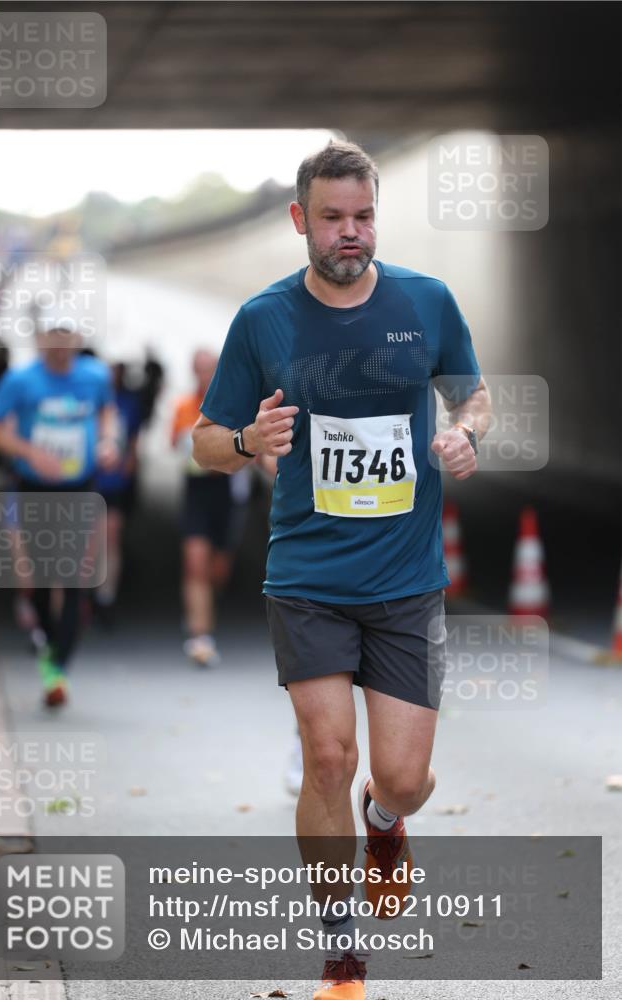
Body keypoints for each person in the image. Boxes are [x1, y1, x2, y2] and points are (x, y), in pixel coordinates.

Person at [193, 140, 492, 1000]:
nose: (349, 232)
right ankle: (339, 948)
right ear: (300, 221)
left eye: (362, 215)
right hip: (307, 576)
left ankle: (385, 821)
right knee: (325, 756)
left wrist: (465, 432)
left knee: (400, 775)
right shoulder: (263, 319)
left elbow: (472, 392)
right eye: (332, 218)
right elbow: (204, 441)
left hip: (405, 579)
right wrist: (249, 440)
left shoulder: (425, 301)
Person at [0, 327, 118, 707]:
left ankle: (56, 666)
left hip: (79, 486)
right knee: (40, 581)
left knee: (74, 576)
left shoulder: (94, 375)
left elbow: (107, 410)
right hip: (34, 488)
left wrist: (108, 440)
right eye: (52, 339)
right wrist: (28, 452)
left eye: (66, 338)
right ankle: (49, 650)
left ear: (76, 340)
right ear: (40, 340)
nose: (60, 347)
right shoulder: (21, 380)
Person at [171, 349, 250, 666]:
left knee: (218, 569)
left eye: (210, 370)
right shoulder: (183, 407)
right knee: (194, 562)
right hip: (197, 491)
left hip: (229, 493)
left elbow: (251, 449)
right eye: (199, 370)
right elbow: (172, 446)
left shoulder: (237, 405)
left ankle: (206, 605)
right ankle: (200, 635)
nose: (204, 376)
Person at [91, 362, 143, 624]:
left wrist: (129, 469)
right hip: (85, 481)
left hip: (113, 482)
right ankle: (79, 596)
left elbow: (133, 440)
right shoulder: (85, 397)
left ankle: (106, 596)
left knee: (111, 536)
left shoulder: (128, 402)